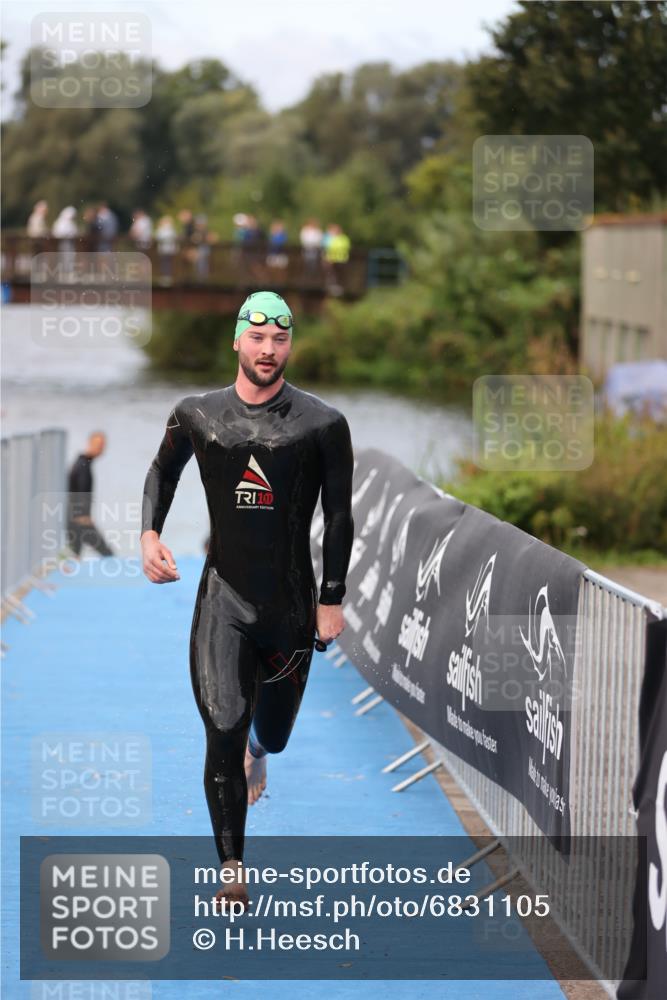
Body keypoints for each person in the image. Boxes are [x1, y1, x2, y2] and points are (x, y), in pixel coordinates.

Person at [140, 290, 354, 910]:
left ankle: (260, 755)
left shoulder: (321, 425)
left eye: (279, 340)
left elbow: (339, 517)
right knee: (223, 726)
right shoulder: (198, 415)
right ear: (237, 340)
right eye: (257, 338)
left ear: (290, 346)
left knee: (272, 735)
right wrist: (150, 534)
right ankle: (232, 866)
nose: (268, 350)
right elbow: (162, 472)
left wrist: (331, 598)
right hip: (223, 600)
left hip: (290, 606)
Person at [66, 432, 116, 557]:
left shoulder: (82, 462)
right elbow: (79, 492)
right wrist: (83, 516)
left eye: (103, 445)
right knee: (107, 554)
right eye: (98, 445)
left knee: (74, 555)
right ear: (90, 443)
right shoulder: (82, 466)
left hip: (74, 519)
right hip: (79, 520)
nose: (101, 448)